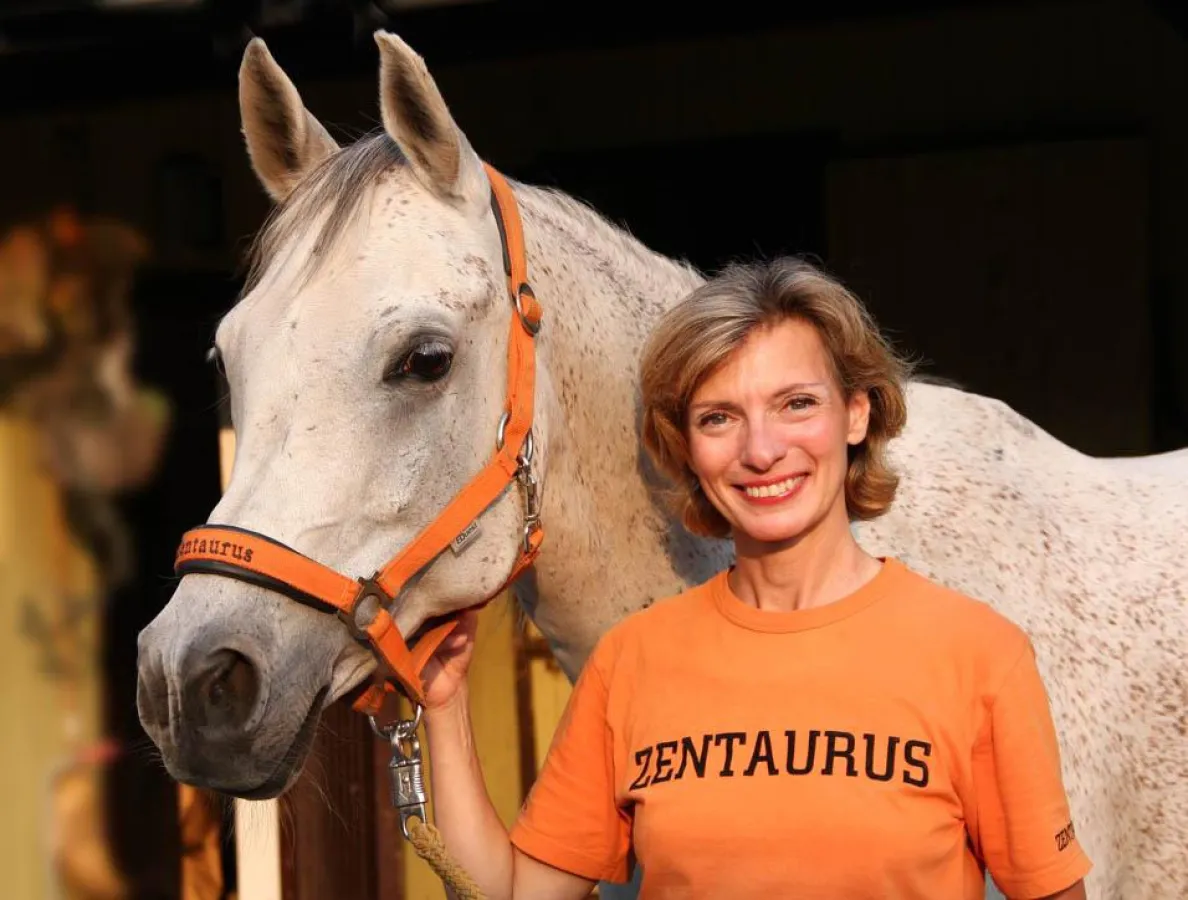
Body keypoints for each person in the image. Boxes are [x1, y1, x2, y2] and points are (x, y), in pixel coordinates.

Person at [419, 257, 1092, 899]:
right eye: (719, 417)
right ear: (686, 445)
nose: (762, 451)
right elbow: (506, 893)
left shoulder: (978, 655)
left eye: (796, 404)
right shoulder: (633, 662)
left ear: (856, 414)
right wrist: (444, 708)